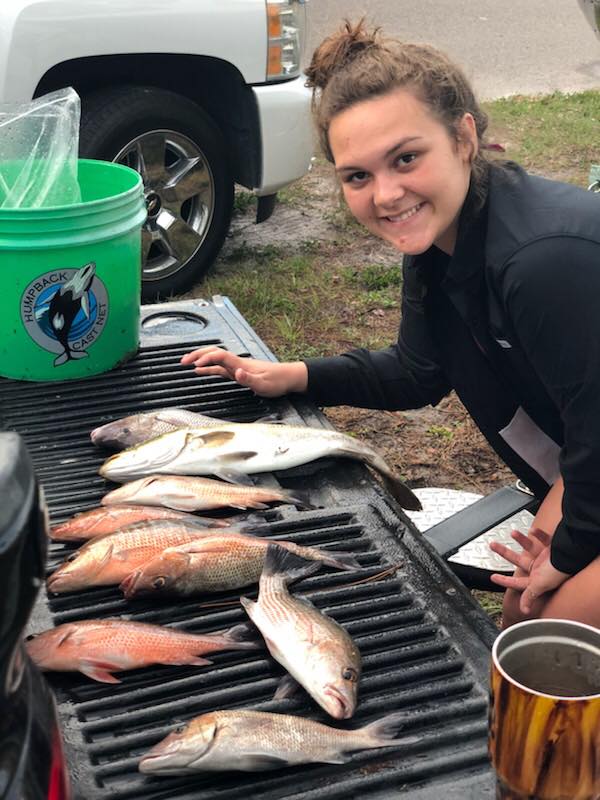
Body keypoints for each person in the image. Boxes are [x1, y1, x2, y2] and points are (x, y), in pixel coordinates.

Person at [181, 20, 600, 629]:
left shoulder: (539, 258)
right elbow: (418, 372)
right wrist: (290, 376)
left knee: (544, 635)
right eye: (359, 176)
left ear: (463, 138)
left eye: (406, 158)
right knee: (522, 613)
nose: (386, 194)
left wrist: (565, 555)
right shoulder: (441, 246)